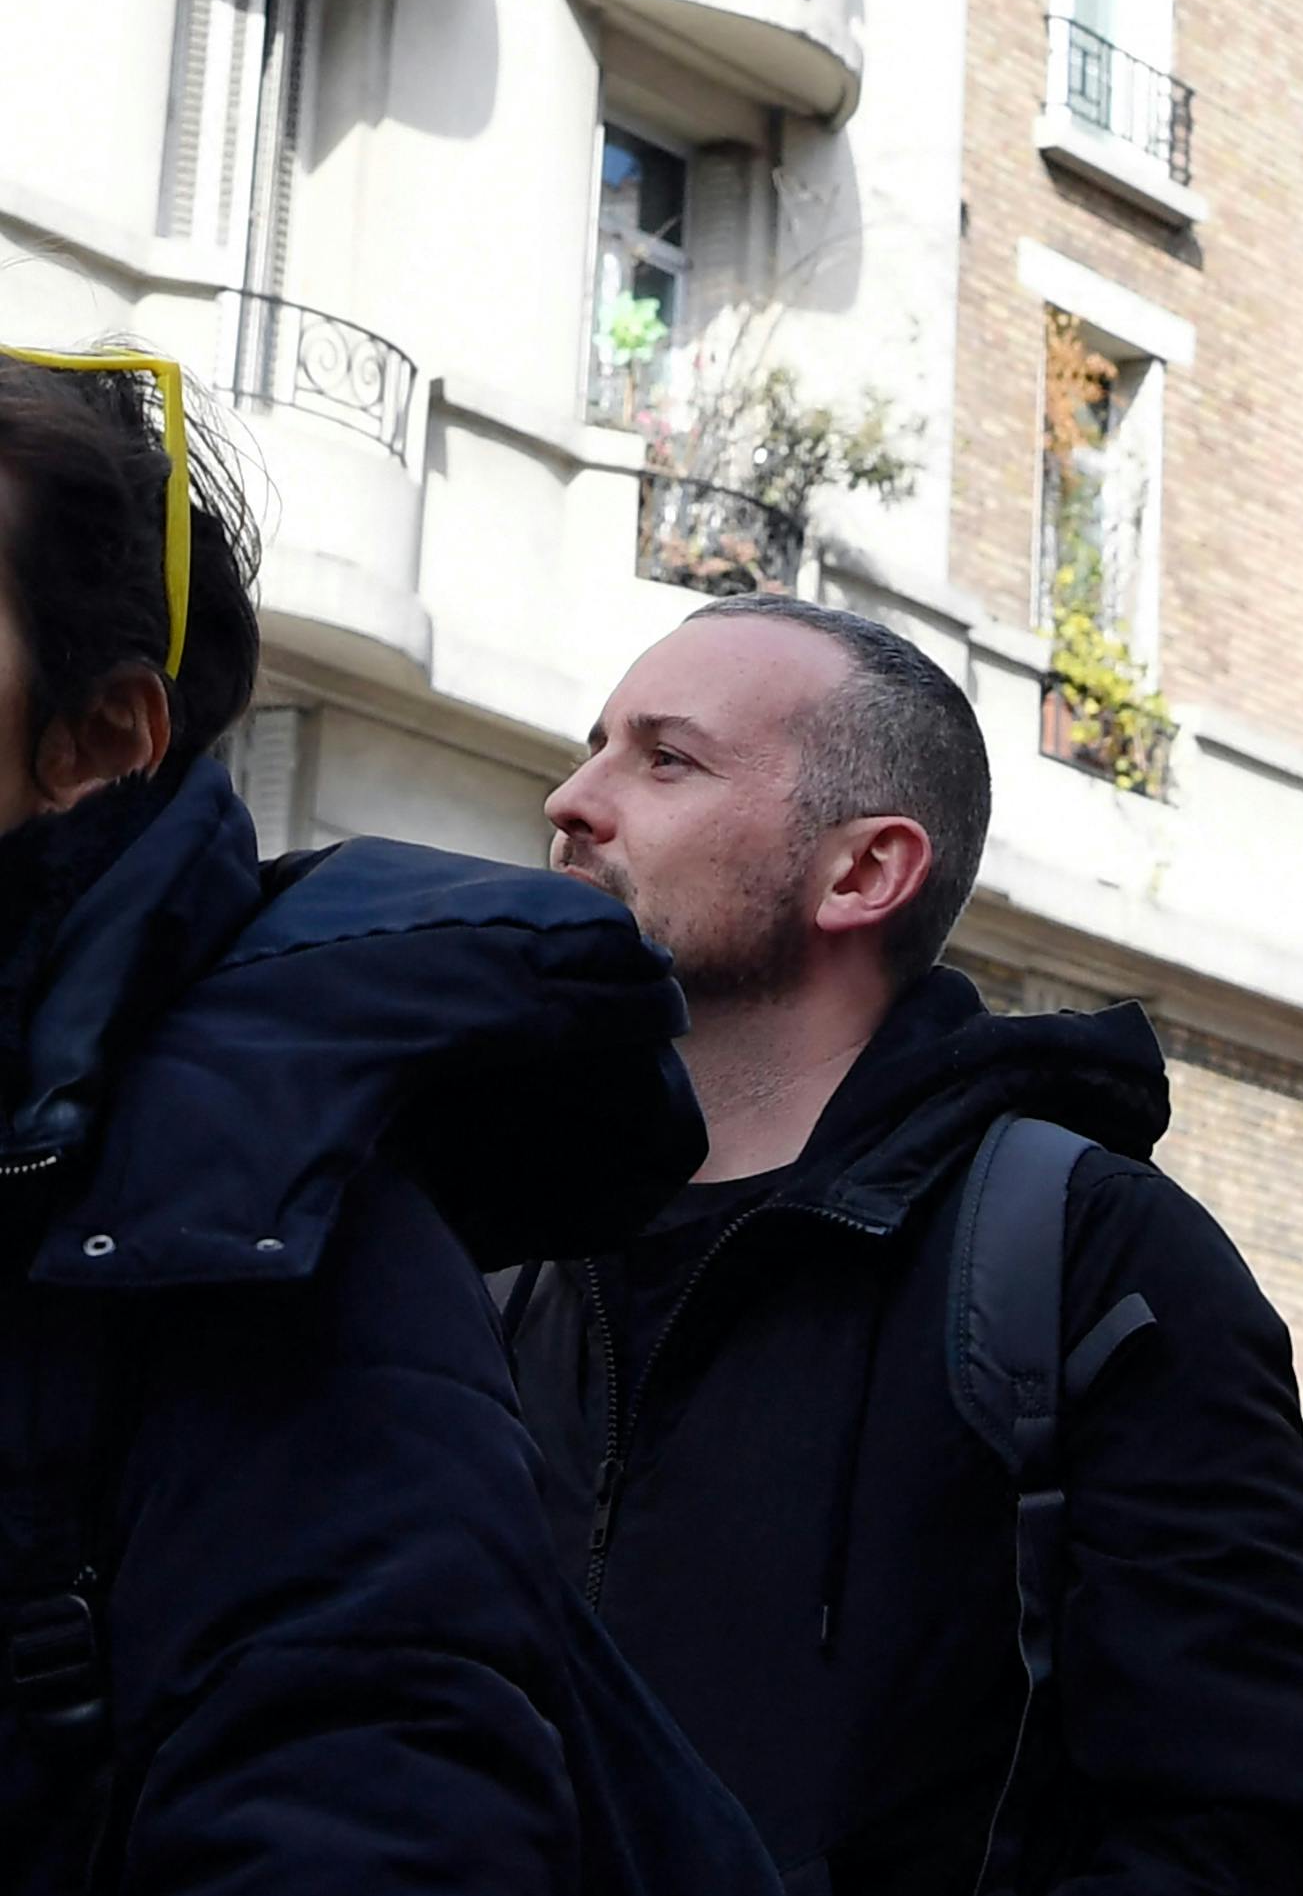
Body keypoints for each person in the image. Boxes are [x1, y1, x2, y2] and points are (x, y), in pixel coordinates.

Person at [0, 344, 759, 1894]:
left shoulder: (248, 1216)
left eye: (665, 758)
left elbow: (365, 1803)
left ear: (95, 742)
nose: (575, 800)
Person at [510, 597, 1303, 1896]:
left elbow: (1264, 1839)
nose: (574, 800)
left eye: (665, 758)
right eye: (594, 746)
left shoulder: (1090, 1257)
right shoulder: (498, 1244)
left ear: (863, 871)